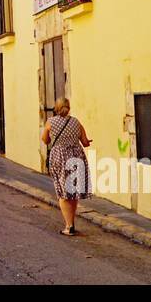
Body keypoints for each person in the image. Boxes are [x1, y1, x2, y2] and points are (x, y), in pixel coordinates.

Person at [42, 98, 92, 235]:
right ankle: (71, 223)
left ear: (56, 108)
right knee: (73, 191)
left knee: (63, 192)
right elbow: (85, 142)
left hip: (59, 157)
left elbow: (45, 140)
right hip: (76, 157)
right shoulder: (76, 122)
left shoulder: (50, 122)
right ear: (68, 107)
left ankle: (69, 226)